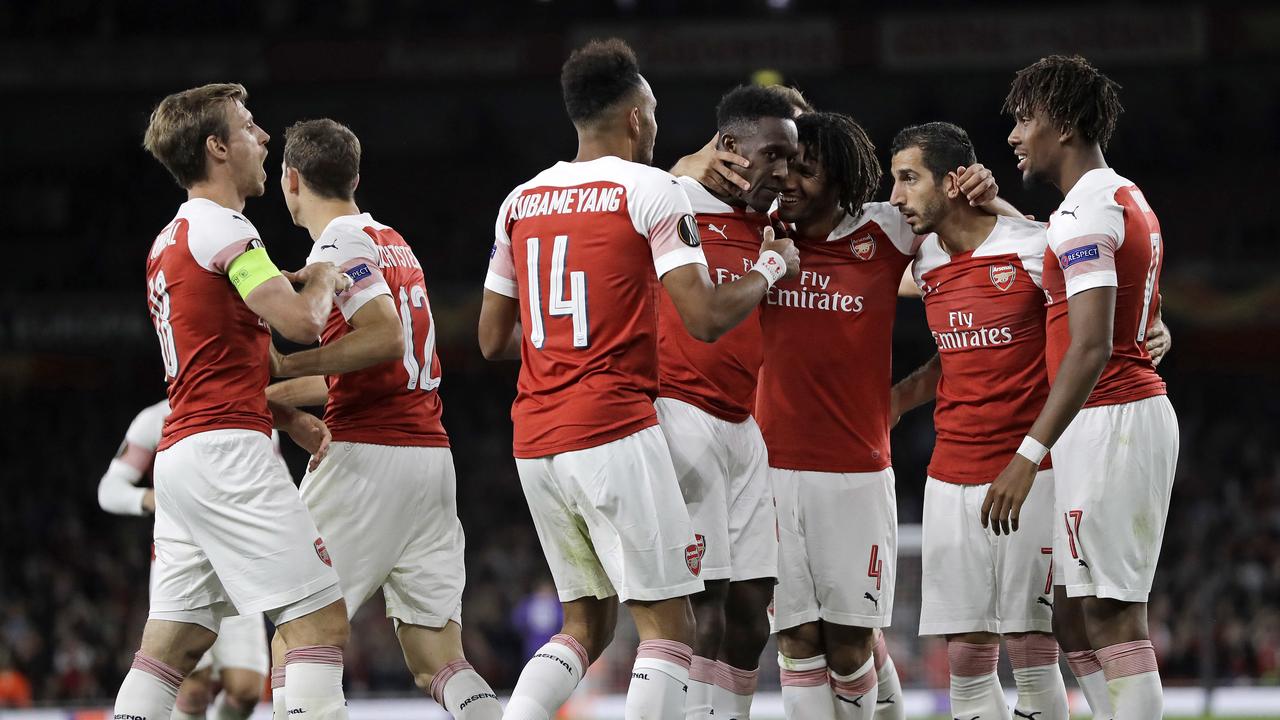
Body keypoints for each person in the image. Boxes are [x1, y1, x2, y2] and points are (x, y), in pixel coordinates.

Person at [477, 38, 798, 720]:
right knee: (671, 628)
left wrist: (572, 337)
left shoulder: (519, 200)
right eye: (651, 112)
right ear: (633, 117)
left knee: (585, 625)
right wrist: (771, 268)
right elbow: (707, 318)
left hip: (536, 440)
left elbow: (492, 338)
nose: (655, 125)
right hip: (613, 427)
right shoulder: (651, 189)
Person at [118, 82, 352, 720]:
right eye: (250, 127)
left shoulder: (169, 241)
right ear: (217, 148)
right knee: (319, 619)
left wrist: (292, 415)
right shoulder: (226, 230)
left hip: (185, 455)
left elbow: (248, 360)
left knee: (171, 647)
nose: (265, 139)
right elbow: (304, 324)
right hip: (228, 453)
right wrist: (327, 272)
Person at [765, 111, 1006, 720]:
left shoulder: (889, 232)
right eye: (786, 166)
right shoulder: (759, 232)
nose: (788, 180)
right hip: (768, 469)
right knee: (796, 643)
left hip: (857, 471)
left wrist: (987, 195)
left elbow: (997, 255)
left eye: (806, 169)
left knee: (849, 645)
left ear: (841, 177)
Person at [264, 118, 503, 720]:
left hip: (368, 457)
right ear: (356, 176)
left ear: (290, 181)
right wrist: (273, 389)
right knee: (436, 657)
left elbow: (383, 340)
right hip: (428, 459)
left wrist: (289, 357)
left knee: (299, 630)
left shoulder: (338, 243)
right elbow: (367, 366)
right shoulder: (392, 239)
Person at [983, 55, 1178, 720]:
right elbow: (1124, 311)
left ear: (1063, 126)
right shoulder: (1113, 199)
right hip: (1106, 417)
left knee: (1113, 614)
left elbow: (1092, 345)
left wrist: (1026, 455)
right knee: (1071, 616)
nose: (1013, 134)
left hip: (1114, 417)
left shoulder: (1085, 212)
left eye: (1024, 119)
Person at [886, 122, 1068, 720]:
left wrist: (1155, 324)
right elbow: (959, 353)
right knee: (966, 656)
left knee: (1031, 647)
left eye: (909, 179)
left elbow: (1113, 290)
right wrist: (897, 399)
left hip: (1028, 473)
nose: (896, 196)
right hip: (948, 476)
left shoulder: (1033, 245)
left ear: (954, 180)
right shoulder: (929, 260)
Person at [656, 84, 797, 720]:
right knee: (702, 608)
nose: (784, 172)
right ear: (730, 148)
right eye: (773, 155)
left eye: (791, 158)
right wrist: (679, 164)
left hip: (743, 424)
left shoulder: (768, 222)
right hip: (681, 414)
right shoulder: (670, 199)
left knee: (751, 613)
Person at [99, 398, 272, 720]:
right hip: (181, 561)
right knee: (191, 687)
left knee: (246, 690)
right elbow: (109, 488)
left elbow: (277, 482)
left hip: (239, 562)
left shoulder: (253, 410)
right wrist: (151, 498)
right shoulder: (154, 419)